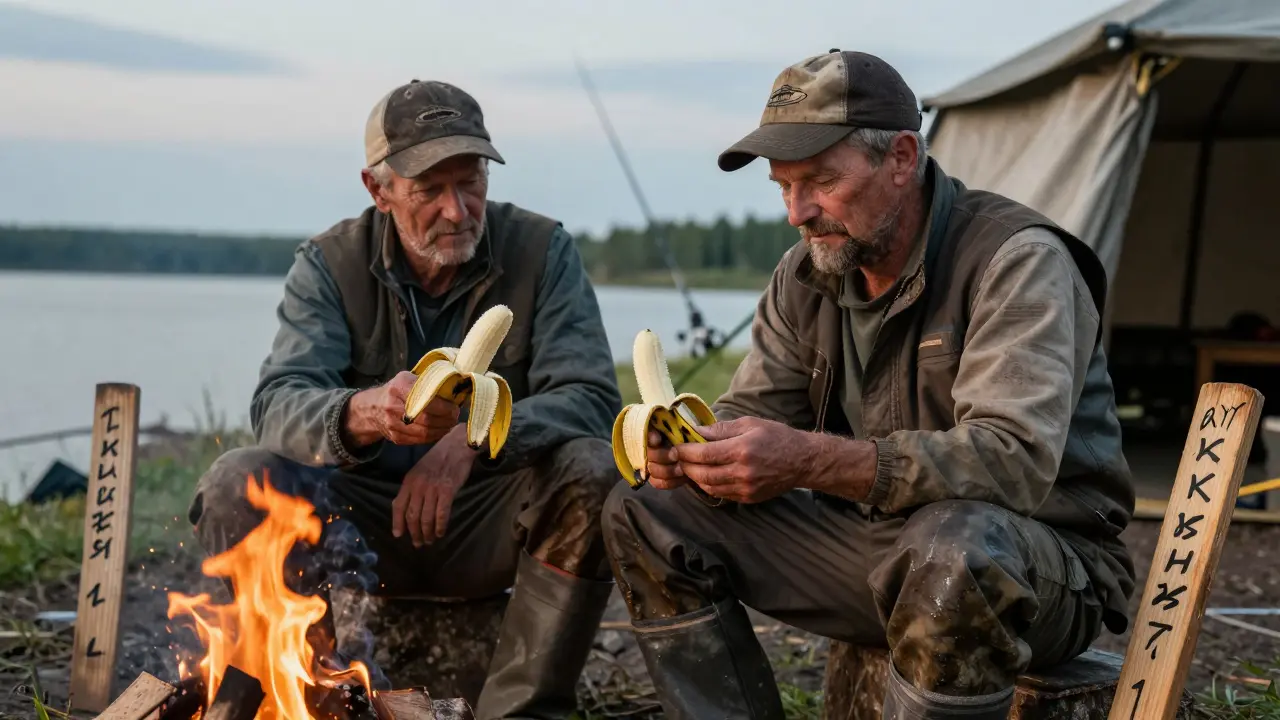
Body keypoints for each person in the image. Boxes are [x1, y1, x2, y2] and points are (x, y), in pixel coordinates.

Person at [601, 49, 1136, 719]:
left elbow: (1015, 462)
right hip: (879, 547)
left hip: (1042, 566)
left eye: (821, 181)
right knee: (646, 507)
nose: (798, 212)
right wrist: (697, 454)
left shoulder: (1015, 259)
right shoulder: (805, 276)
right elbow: (748, 414)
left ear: (902, 158)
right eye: (782, 186)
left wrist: (812, 459)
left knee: (955, 548)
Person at [187, 79, 624, 719]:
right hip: (360, 525)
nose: (457, 209)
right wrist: (363, 413)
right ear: (378, 190)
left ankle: (522, 711)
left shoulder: (543, 250)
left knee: (594, 469)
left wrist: (467, 443)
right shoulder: (328, 264)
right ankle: (308, 699)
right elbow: (278, 403)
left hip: (487, 518)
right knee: (237, 479)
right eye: (429, 189)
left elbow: (590, 398)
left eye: (470, 182)